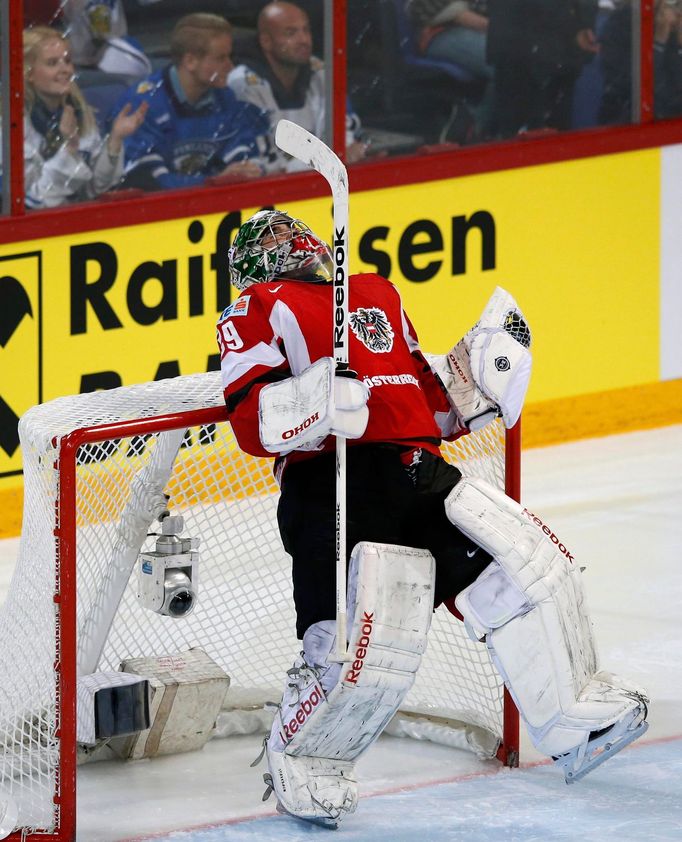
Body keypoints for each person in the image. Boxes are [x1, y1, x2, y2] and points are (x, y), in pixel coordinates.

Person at [217, 209, 649, 826]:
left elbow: (424, 398)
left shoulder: (375, 290)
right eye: (267, 239)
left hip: (416, 469)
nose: (284, 240)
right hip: (331, 484)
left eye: (288, 229)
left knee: (517, 569)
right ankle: (305, 761)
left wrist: (473, 378)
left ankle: (568, 718)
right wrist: (315, 401)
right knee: (347, 647)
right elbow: (251, 420)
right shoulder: (253, 308)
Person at [111, 13, 277, 191]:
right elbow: (148, 182)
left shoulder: (228, 99)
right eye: (221, 58)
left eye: (230, 56)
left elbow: (248, 161)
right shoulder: (141, 105)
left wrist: (242, 173)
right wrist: (214, 181)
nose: (230, 66)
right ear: (190, 61)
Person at [19, 26, 148, 209]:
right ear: (29, 73)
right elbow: (35, 204)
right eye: (52, 63)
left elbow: (94, 190)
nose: (65, 69)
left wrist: (115, 140)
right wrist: (69, 150)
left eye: (67, 61)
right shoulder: (12, 127)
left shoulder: (80, 113)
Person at [228, 1, 366, 171]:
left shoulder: (321, 73)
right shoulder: (243, 83)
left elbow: (346, 139)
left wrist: (348, 149)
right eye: (290, 33)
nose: (304, 40)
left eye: (306, 30)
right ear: (266, 41)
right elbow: (262, 166)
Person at [486, 0, 599, 138]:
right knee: (518, 130)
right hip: (522, 49)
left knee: (554, 131)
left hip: (555, 49)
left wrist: (585, 22)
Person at [407, 0, 495, 140]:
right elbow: (422, 7)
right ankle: (471, 127)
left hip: (492, 31)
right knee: (505, 62)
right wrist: (502, 30)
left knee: (527, 56)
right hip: (443, 31)